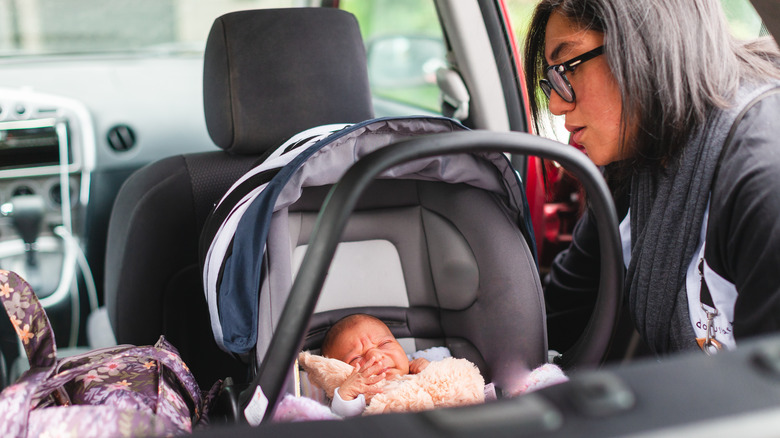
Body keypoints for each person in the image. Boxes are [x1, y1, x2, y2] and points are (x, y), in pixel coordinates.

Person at [524, 0, 780, 355]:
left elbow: (766, 394)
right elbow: (560, 315)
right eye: (550, 80)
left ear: (643, 44)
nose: (555, 104)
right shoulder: (633, 164)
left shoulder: (763, 175)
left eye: (567, 68)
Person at [321, 314, 430, 417]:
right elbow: (343, 424)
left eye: (384, 344)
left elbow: (444, 389)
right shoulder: (358, 401)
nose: (376, 357)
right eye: (356, 358)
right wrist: (345, 396)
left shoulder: (423, 369)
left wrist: (430, 371)